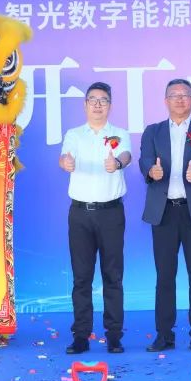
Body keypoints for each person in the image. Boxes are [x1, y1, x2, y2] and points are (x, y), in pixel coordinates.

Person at [139, 79, 191, 353]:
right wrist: (151, 171)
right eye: (174, 95)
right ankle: (164, 335)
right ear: (165, 101)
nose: (179, 99)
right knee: (165, 276)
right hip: (163, 212)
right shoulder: (153, 131)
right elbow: (144, 159)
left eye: (185, 95)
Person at [59, 82, 132, 354]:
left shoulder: (119, 133)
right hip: (80, 214)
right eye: (93, 100)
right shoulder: (74, 134)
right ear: (85, 105)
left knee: (113, 276)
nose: (98, 105)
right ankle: (81, 335)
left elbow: (126, 154)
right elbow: (64, 157)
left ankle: (114, 335)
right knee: (81, 278)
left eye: (103, 100)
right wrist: (65, 162)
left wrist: (118, 163)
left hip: (111, 213)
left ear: (110, 105)